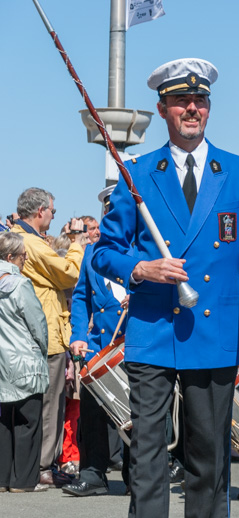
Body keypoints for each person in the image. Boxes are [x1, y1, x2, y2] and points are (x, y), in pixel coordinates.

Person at [92, 58, 239, 518]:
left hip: (214, 333)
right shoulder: (137, 173)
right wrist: (139, 269)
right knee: (146, 454)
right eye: (180, 102)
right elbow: (105, 250)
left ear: (208, 109)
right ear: (164, 110)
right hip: (152, 330)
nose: (192, 109)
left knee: (208, 452)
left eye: (200, 102)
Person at [11, 188, 86, 487]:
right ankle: (43, 466)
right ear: (40, 210)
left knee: (28, 405)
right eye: (53, 211)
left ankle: (30, 466)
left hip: (26, 336)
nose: (55, 216)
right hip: (47, 336)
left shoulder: (19, 238)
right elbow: (69, 273)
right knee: (50, 404)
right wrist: (76, 242)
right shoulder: (33, 243)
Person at [63, 188, 131, 497]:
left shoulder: (144, 247)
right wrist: (78, 335)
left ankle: (136, 473)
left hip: (132, 344)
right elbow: (80, 297)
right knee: (92, 411)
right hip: (98, 344)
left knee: (137, 412)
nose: (110, 218)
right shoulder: (92, 251)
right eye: (108, 213)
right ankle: (93, 472)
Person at [0, 232, 49, 493]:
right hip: (24, 359)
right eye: (22, 256)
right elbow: (37, 323)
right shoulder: (19, 284)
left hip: (1, 361)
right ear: (10, 257)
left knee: (4, 421)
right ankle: (23, 481)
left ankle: (2, 479)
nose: (25, 260)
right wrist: (42, 347)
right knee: (28, 421)